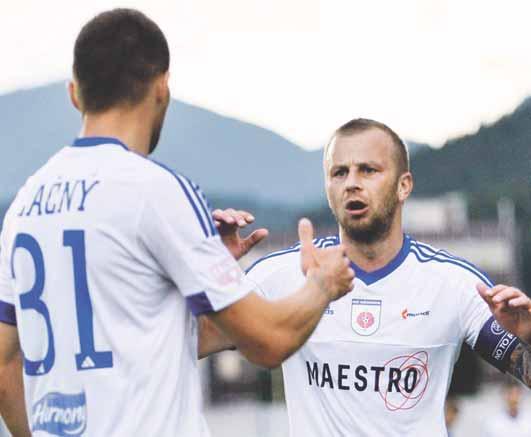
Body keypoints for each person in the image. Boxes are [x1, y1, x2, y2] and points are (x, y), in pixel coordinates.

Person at [0, 9, 355, 436]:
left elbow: (5, 364)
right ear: (162, 86)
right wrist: (324, 284)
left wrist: (205, 266)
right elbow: (268, 341)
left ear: (75, 94)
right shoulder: (155, 190)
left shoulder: (25, 203)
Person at [208, 118, 531, 436]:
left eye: (368, 170)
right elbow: (191, 340)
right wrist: (214, 272)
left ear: (403, 185)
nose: (351, 182)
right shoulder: (282, 273)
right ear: (328, 186)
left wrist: (529, 334)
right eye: (339, 172)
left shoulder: (454, 282)